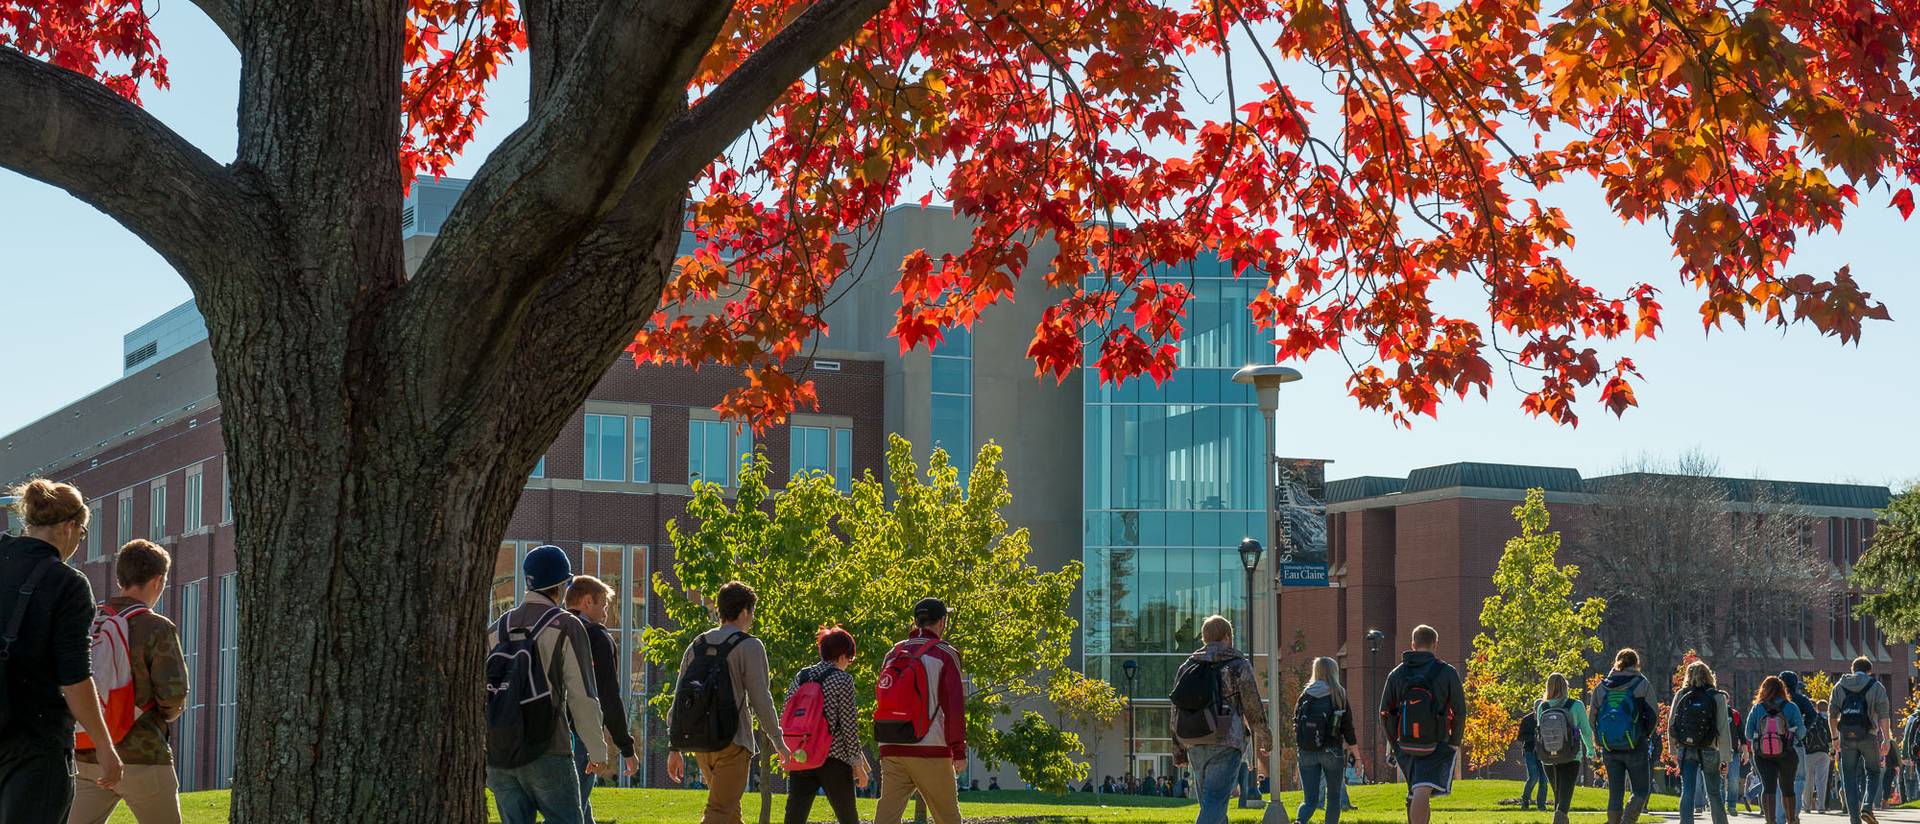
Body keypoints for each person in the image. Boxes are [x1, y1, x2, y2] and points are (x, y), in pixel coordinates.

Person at [0, 480, 122, 824]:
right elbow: (74, 677)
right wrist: (103, 744)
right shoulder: (68, 583)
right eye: (81, 535)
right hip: (36, 743)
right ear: (69, 527)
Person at [485, 545, 611, 824]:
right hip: (548, 748)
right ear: (563, 585)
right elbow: (582, 695)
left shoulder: (497, 628)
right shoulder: (566, 624)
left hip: (499, 751)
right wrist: (597, 750)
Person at [68, 540, 189, 824]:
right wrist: (167, 715)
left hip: (89, 753)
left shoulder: (91, 620)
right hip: (143, 754)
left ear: (120, 577)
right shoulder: (156, 627)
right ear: (158, 580)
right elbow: (173, 693)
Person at [666, 581, 788, 824]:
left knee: (731, 815)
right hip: (733, 742)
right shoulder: (750, 646)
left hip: (702, 743)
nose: (751, 618)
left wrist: (674, 747)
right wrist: (778, 741)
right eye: (752, 612)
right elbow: (761, 699)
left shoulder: (697, 645)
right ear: (744, 611)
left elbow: (680, 699)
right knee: (719, 812)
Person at [1170, 614, 1272, 824]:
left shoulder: (1187, 666)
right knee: (1215, 802)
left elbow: (1176, 710)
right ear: (1227, 637)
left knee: (1211, 805)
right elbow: (1252, 706)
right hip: (1227, 739)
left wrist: (1178, 750)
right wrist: (1264, 736)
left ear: (1205, 639)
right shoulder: (1237, 665)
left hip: (1194, 740)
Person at [873, 597, 966, 824]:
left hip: (891, 742)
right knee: (948, 817)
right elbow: (953, 706)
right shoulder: (945, 653)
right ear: (942, 622)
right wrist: (959, 749)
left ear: (916, 622)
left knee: (887, 815)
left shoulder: (894, 652)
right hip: (929, 746)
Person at [562, 575, 637, 823]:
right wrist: (626, 747)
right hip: (581, 734)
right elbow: (607, 695)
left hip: (545, 732)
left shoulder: (550, 628)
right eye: (603, 604)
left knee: (580, 808)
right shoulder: (596, 637)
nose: (606, 612)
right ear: (587, 602)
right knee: (569, 812)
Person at [1379, 625, 1464, 824]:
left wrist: (1395, 743)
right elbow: (1460, 711)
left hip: (1406, 742)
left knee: (1416, 790)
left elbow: (1384, 712)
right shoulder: (1447, 672)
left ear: (1413, 645)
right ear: (1435, 645)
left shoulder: (1396, 674)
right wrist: (1454, 741)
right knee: (1422, 790)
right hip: (1436, 741)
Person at [1590, 648, 1660, 824]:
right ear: (1636, 663)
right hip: (1636, 744)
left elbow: (1592, 717)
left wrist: (1599, 739)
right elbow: (1653, 715)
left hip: (1610, 747)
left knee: (1615, 792)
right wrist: (1645, 734)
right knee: (1641, 790)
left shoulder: (1602, 686)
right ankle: (1627, 821)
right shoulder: (1642, 684)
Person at [1668, 659, 1733, 824]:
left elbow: (1671, 724)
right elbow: (1724, 729)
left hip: (1686, 748)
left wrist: (1673, 751)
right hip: (1710, 748)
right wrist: (1725, 758)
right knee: (1714, 793)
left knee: (1688, 791)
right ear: (1709, 675)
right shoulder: (1717, 697)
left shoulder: (1681, 695)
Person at [1295, 656, 1356, 824]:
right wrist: (1357, 757)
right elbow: (1348, 728)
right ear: (1334, 672)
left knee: (1310, 800)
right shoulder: (1338, 693)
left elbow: (1296, 723)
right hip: (1332, 751)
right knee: (1334, 798)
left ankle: (1299, 821)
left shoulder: (1305, 694)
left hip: (1306, 751)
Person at [1831, 657, 1892, 824]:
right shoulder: (1876, 686)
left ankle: (1854, 819)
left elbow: (1832, 714)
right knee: (1873, 772)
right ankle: (1867, 806)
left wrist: (1834, 737)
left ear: (1852, 669)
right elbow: (1884, 715)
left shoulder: (1839, 686)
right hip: (1869, 735)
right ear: (1869, 671)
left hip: (1845, 737)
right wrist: (1886, 739)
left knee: (1848, 776)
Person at [1534, 672, 1595, 824]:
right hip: (1571, 755)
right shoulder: (1576, 705)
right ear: (1566, 687)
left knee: (1558, 795)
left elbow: (1540, 732)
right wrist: (1590, 750)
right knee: (1565, 795)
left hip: (1548, 757)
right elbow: (1586, 731)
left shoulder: (1543, 706)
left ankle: (1560, 820)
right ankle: (1560, 820)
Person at [1747, 674, 1807, 824]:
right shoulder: (1791, 707)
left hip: (1762, 755)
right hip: (1787, 753)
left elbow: (1748, 734)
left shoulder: (1757, 708)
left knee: (1768, 787)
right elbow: (1801, 732)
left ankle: (1770, 821)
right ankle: (1791, 819)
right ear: (1782, 689)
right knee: (1787, 787)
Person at [1778, 672, 1820, 814]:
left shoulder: (1772, 699)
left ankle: (1779, 814)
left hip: (1774, 744)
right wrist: (1803, 729)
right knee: (1799, 778)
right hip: (1795, 742)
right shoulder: (1800, 699)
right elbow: (1813, 715)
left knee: (1779, 778)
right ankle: (1794, 814)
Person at [1803, 698, 1833, 813]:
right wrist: (1832, 751)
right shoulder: (1823, 718)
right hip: (1823, 752)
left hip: (1808, 752)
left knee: (1808, 780)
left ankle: (1806, 806)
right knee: (1822, 780)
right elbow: (1829, 735)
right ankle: (1821, 806)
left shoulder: (1804, 719)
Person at [1518, 703, 1548, 811]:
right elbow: (1520, 737)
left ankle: (1541, 806)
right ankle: (1525, 800)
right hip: (1530, 751)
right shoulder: (1527, 719)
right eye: (1538, 708)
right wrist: (1534, 736)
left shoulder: (1546, 719)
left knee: (1544, 780)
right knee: (1533, 776)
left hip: (1543, 753)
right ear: (1534, 708)